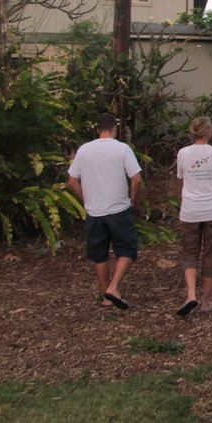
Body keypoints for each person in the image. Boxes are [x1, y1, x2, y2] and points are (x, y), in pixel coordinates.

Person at [68, 113, 142, 310]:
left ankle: (106, 295)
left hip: (94, 210)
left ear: (97, 129)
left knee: (99, 253)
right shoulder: (122, 149)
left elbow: (72, 180)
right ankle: (113, 286)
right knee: (127, 249)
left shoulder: (84, 150)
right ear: (115, 129)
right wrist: (133, 198)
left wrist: (85, 199)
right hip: (118, 208)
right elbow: (136, 179)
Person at [175, 116, 212, 316]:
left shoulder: (183, 153)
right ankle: (206, 301)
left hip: (190, 211)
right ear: (207, 132)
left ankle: (191, 295)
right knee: (210, 254)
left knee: (190, 253)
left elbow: (182, 177)